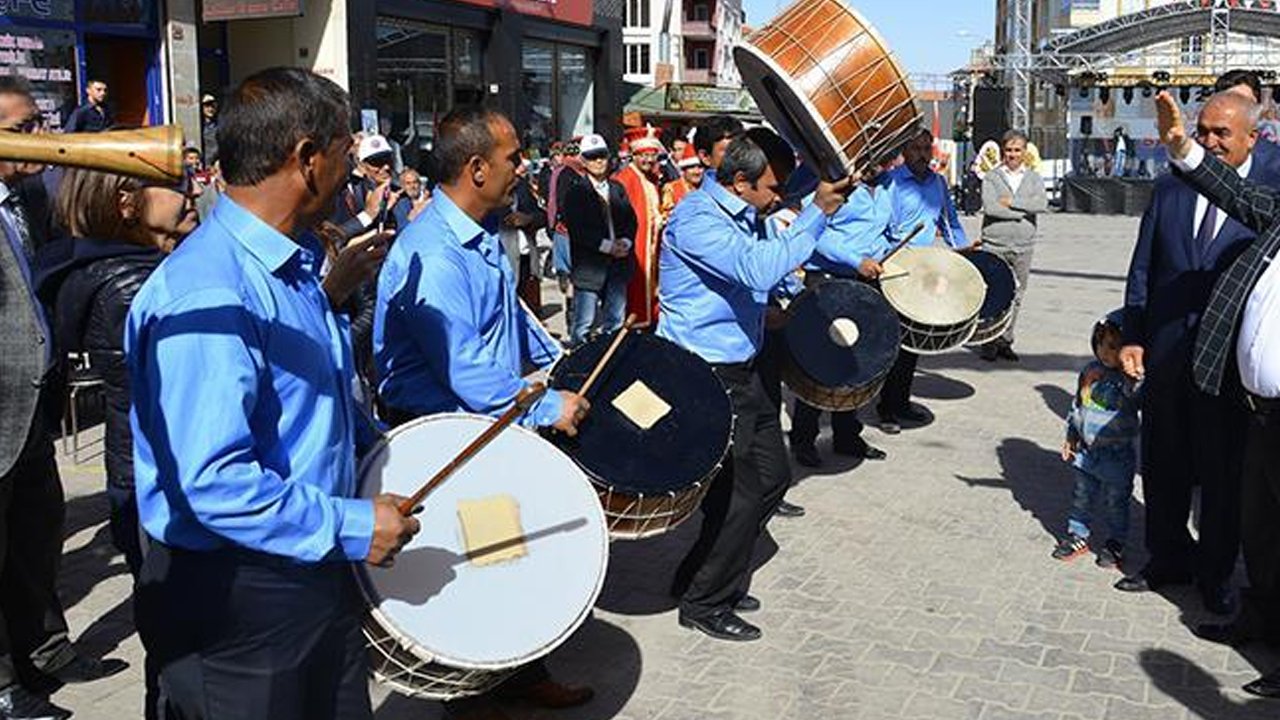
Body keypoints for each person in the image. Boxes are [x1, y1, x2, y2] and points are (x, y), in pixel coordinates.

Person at [125, 67, 418, 720]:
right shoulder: (210, 291)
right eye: (346, 153)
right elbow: (213, 483)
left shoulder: (292, 268)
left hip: (309, 570)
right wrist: (351, 525)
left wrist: (384, 457)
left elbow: (319, 402)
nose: (354, 173)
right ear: (308, 159)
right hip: (236, 602)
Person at [373, 107, 593, 720]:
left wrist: (563, 361)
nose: (523, 167)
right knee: (476, 565)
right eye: (513, 158)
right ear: (476, 169)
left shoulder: (479, 235)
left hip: (485, 423)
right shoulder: (437, 254)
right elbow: (466, 370)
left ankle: (518, 675)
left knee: (505, 553)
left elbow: (512, 323)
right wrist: (549, 404)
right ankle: (471, 698)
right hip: (445, 434)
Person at [660, 131, 849, 642]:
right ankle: (703, 600)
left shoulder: (746, 213)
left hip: (743, 368)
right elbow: (754, 267)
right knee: (738, 494)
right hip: (706, 373)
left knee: (770, 479)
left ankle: (706, 576)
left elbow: (755, 277)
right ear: (740, 183)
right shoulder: (697, 218)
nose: (778, 196)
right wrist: (817, 212)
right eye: (771, 187)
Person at [0, 76, 130, 720]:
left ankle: (45, 650)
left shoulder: (28, 199)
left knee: (37, 532)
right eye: (19, 130)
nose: (37, 141)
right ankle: (3, 686)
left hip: (32, 405)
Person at [1115, 91, 1270, 617]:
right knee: (1163, 462)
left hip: (1226, 368)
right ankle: (1166, 559)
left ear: (1254, 135)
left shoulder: (1266, 198)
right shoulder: (1169, 189)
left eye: (1222, 133)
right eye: (1203, 130)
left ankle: (1214, 574)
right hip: (1165, 354)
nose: (1209, 140)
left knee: (1222, 473)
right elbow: (1142, 270)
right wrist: (1133, 334)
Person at [1154, 88, 1280, 698]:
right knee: (1260, 530)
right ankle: (1257, 621)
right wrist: (1182, 147)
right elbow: (1237, 193)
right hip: (1260, 410)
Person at [788, 160, 893, 468]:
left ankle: (847, 435)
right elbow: (813, 229)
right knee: (819, 362)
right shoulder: (831, 181)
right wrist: (855, 259)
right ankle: (803, 438)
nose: (879, 162)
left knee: (856, 362)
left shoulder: (888, 186)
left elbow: (885, 230)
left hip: (865, 279)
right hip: (828, 280)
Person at [876, 127, 972, 434]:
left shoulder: (938, 183)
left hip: (925, 270)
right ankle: (886, 409)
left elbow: (951, 222)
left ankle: (901, 403)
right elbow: (880, 229)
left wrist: (964, 253)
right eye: (915, 149)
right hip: (895, 268)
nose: (921, 155)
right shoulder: (891, 183)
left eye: (925, 149)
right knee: (892, 343)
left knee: (913, 343)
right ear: (904, 151)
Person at [1055, 313, 1140, 569]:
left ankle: (1116, 542)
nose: (1105, 352)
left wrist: (1136, 374)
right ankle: (1078, 535)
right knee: (1082, 497)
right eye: (1101, 343)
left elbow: (1138, 397)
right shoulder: (1090, 371)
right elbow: (1077, 405)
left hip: (1116, 456)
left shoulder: (1129, 380)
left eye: (1114, 347)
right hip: (1086, 453)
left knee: (1116, 502)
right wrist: (1071, 435)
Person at [979, 129, 1049, 362]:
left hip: (1023, 246)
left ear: (1024, 152)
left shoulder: (1034, 178)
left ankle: (1005, 340)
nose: (1012, 154)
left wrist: (1013, 203)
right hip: (995, 244)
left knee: (1017, 295)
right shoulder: (992, 177)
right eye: (1008, 150)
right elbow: (991, 208)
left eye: (1017, 150)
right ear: (1002, 152)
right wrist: (1021, 213)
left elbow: (1041, 204)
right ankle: (988, 341)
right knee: (992, 293)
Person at [562, 133, 637, 347]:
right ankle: (579, 367)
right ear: (583, 161)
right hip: (590, 267)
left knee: (615, 321)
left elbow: (631, 220)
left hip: (617, 265)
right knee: (583, 324)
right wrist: (607, 247)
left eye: (601, 156)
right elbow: (578, 229)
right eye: (592, 157)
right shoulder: (576, 192)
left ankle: (610, 362)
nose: (598, 162)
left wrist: (626, 242)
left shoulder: (617, 188)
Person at [616, 126, 665, 328]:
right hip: (635, 245)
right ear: (634, 155)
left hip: (651, 243)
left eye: (652, 156)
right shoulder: (625, 179)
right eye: (643, 156)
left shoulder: (651, 179)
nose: (648, 160)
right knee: (636, 287)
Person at [1214, 69, 1280, 176]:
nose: (1239, 110)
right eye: (1231, 102)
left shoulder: (1275, 163)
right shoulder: (1196, 156)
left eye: (1245, 102)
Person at [333, 134, 396, 238]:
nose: (386, 167)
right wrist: (368, 215)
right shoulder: (340, 190)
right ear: (361, 163)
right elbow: (330, 238)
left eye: (388, 159)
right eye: (377, 162)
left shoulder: (400, 193)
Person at [546, 138, 582, 298]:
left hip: (565, 228)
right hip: (569, 229)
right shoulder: (567, 173)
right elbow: (558, 201)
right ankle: (572, 308)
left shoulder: (563, 171)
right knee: (573, 270)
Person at [660, 142, 703, 220]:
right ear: (684, 170)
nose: (697, 172)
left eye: (700, 167)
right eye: (692, 167)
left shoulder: (707, 187)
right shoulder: (671, 188)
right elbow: (666, 217)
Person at [200, 93, 219, 164]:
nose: (210, 109)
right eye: (207, 106)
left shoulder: (219, 125)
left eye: (213, 106)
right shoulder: (198, 126)